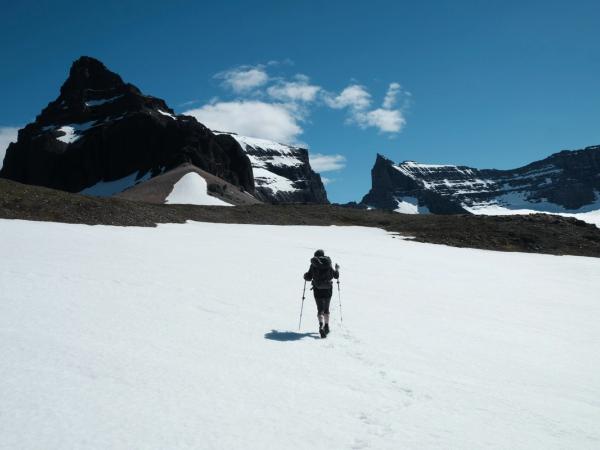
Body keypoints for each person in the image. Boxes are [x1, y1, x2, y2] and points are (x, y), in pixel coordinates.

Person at [303, 249, 339, 338]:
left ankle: (321, 325)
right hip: (328, 289)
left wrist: (305, 275)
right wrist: (337, 269)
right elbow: (336, 276)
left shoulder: (313, 264)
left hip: (317, 288)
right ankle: (326, 326)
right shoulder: (328, 263)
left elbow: (308, 277)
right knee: (326, 308)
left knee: (320, 309)